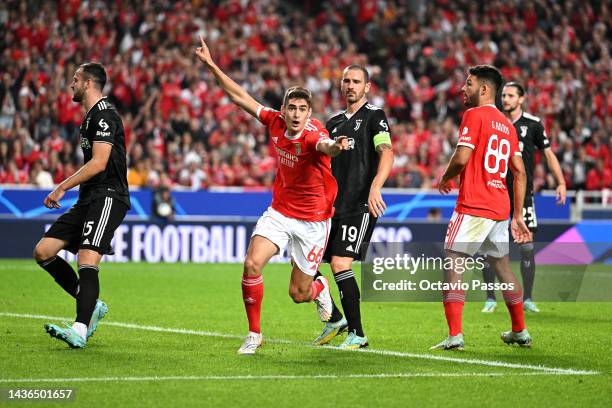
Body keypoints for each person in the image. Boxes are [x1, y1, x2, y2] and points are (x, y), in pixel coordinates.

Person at [195, 36, 350, 355]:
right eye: (292, 107)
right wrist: (211, 65)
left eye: (302, 109)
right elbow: (239, 96)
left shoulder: (314, 135)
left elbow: (326, 146)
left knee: (298, 293)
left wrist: (336, 146)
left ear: (310, 113)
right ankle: (254, 334)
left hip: (313, 221)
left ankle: (319, 289)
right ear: (283, 109)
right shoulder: (274, 121)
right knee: (252, 264)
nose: (296, 114)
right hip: (280, 212)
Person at [432, 65, 532, 350]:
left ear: (484, 89)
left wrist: (446, 176)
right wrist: (518, 214)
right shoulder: (508, 126)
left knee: (453, 262)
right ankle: (520, 330)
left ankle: (455, 336)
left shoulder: (474, 115)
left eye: (469, 83)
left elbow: (462, 157)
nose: (464, 88)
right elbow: (520, 172)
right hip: (500, 206)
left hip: (474, 203)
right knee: (502, 267)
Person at [33, 62, 130, 348]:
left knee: (86, 257)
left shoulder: (104, 116)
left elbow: (100, 163)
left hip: (109, 196)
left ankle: (79, 328)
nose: (71, 84)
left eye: (75, 79)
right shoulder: (88, 118)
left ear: (88, 83)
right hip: (89, 198)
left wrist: (62, 186)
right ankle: (91, 305)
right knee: (43, 251)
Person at [311, 65, 394, 349]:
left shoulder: (374, 117)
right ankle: (335, 318)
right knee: (305, 263)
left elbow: (386, 151)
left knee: (340, 263)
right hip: (330, 207)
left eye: (356, 81)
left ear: (367, 87)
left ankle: (357, 333)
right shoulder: (332, 124)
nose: (350, 85)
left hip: (359, 203)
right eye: (346, 80)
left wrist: (376, 186)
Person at [481, 82, 567, 314]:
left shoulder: (533, 124)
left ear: (521, 99)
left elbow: (548, 154)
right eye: (504, 95)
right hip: (494, 191)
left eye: (510, 95)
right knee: (489, 246)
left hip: (523, 194)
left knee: (527, 246)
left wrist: (560, 181)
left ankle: (527, 298)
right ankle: (490, 298)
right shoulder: (493, 121)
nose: (505, 99)